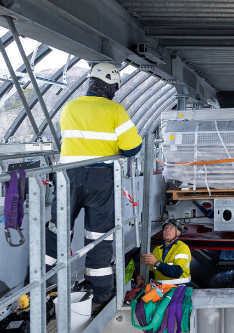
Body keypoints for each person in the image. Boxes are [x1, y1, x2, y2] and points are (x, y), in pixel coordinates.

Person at [46, 62, 141, 313]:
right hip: (101, 178)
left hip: (67, 176)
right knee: (98, 236)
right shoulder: (114, 109)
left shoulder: (69, 107)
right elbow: (133, 148)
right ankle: (100, 295)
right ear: (110, 85)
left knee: (58, 230)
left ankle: (38, 289)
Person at [142, 219, 191, 286]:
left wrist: (157, 263)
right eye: (165, 228)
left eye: (171, 228)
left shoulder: (182, 248)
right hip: (159, 291)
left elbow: (177, 272)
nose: (167, 230)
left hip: (178, 290)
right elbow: (151, 273)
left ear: (178, 233)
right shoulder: (157, 249)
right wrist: (142, 280)